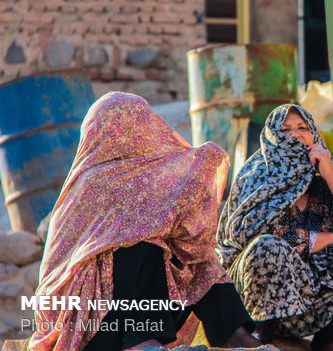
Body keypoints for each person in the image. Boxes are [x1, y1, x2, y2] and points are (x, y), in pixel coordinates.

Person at [30, 92, 264, 351]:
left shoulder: (143, 173)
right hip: (89, 323)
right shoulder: (93, 181)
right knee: (143, 244)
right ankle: (142, 342)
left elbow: (178, 218)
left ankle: (235, 336)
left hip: (139, 308)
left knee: (198, 258)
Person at [216, 104, 333, 351]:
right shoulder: (254, 175)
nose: (295, 134)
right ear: (273, 137)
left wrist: (329, 173)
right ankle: (264, 335)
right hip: (253, 294)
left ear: (313, 134)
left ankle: (328, 338)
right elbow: (263, 236)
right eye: (285, 130)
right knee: (268, 247)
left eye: (302, 128)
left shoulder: (324, 172)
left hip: (313, 298)